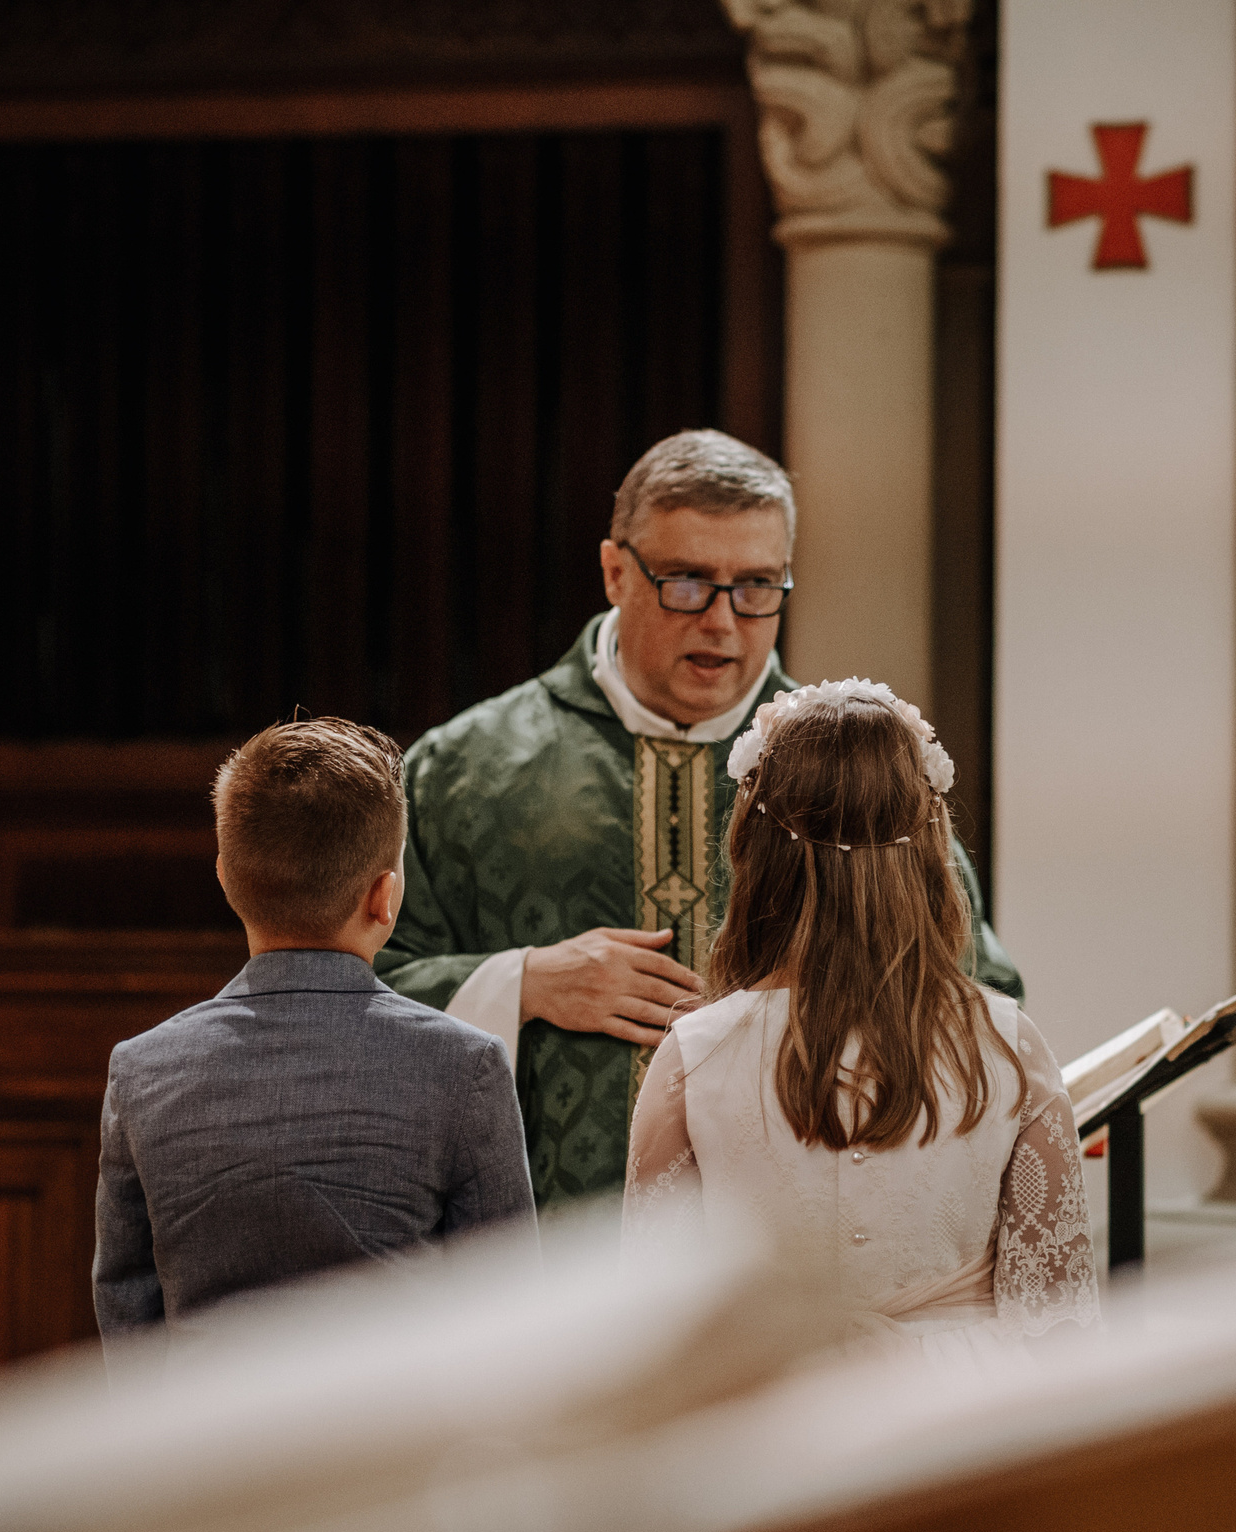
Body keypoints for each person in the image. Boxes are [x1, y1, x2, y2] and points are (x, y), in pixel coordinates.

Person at [376, 429, 1023, 1207]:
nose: (722, 621)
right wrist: (523, 982)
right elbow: (359, 982)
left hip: (795, 1246)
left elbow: (972, 983)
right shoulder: (466, 770)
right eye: (687, 581)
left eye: (757, 586)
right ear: (616, 570)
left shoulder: (861, 770)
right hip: (545, 1250)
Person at [620, 680, 1098, 1361]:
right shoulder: (1008, 1044)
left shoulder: (694, 1057)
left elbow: (655, 1327)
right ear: (932, 849)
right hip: (966, 1415)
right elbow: (1059, 1323)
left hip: (778, 1413)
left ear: (757, 852)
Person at [93, 718, 533, 1343]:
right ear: (385, 897)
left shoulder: (142, 1070)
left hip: (209, 1439)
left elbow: (128, 1317)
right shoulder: (464, 1065)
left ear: (224, 878)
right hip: (401, 1437)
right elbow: (508, 1310)